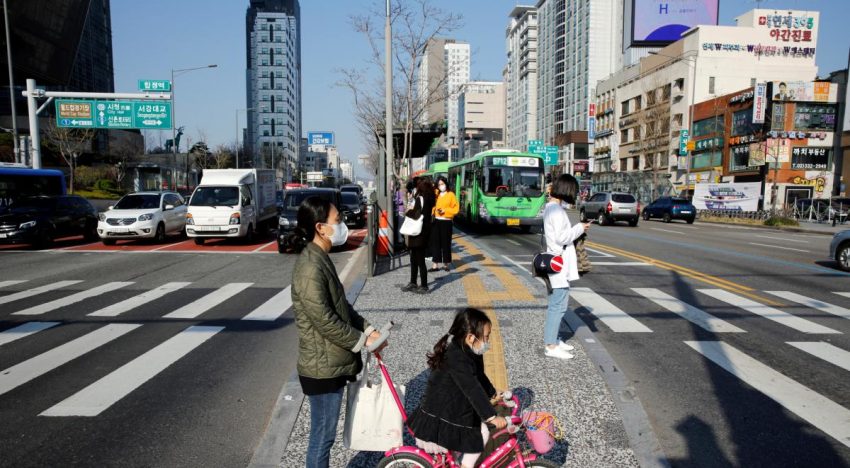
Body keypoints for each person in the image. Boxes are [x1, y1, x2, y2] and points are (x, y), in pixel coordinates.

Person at [285, 196, 387, 468]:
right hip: (322, 367)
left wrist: (369, 330)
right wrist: (362, 340)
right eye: (338, 221)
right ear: (321, 227)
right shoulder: (310, 268)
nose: (343, 225)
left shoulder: (320, 258)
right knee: (322, 438)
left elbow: (343, 308)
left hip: (330, 363)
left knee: (324, 435)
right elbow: (326, 321)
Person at [407, 308, 508, 468]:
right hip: (440, 418)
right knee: (482, 432)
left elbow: (479, 376)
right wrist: (491, 417)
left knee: (455, 454)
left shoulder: (468, 349)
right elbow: (472, 389)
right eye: (486, 336)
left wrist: (493, 392)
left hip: (450, 410)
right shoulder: (456, 358)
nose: (488, 341)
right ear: (470, 337)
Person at [543, 174, 591, 360]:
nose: (575, 194)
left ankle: (555, 338)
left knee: (559, 304)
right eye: (573, 190)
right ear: (566, 189)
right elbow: (562, 238)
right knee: (558, 306)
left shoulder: (552, 208)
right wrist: (580, 227)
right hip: (558, 264)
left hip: (557, 262)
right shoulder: (556, 211)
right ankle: (550, 345)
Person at [403, 178, 435, 294]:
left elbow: (416, 214)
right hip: (424, 231)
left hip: (417, 233)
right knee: (416, 259)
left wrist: (407, 211)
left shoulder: (420, 199)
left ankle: (423, 285)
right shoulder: (429, 198)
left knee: (418, 260)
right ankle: (413, 282)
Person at [429, 176, 459, 272]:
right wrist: (434, 210)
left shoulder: (451, 195)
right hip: (437, 221)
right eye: (439, 184)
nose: (441, 186)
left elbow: (456, 209)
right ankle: (435, 264)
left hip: (446, 221)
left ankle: (446, 264)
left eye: (442, 184)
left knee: (446, 243)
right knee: (435, 243)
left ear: (446, 184)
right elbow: (433, 205)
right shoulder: (436, 195)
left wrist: (445, 210)